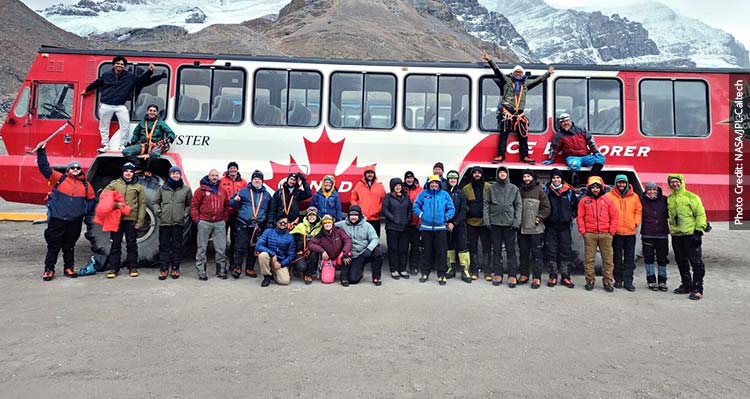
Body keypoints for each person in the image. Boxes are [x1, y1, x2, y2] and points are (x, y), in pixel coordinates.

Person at [36, 143, 95, 281]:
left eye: (78, 168)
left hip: (74, 221)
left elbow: (92, 200)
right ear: (68, 169)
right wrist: (41, 151)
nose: (75, 169)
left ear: (81, 170)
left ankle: (69, 268)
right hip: (58, 219)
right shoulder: (60, 178)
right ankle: (49, 269)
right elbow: (44, 168)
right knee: (53, 246)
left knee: (69, 246)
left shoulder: (86, 185)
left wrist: (84, 211)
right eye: (72, 167)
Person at [482, 52, 553, 164]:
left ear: (522, 74)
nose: (518, 74)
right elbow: (497, 72)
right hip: (507, 112)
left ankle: (524, 156)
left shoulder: (526, 85)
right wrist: (489, 60)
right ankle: (500, 156)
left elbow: (538, 81)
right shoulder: (507, 81)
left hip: (519, 114)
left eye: (520, 72)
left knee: (523, 136)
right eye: (516, 72)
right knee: (503, 135)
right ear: (513, 73)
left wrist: (548, 74)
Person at [81, 56, 157, 153]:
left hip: (120, 105)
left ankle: (123, 145)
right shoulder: (106, 75)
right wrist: (87, 90)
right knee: (104, 125)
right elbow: (96, 83)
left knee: (125, 124)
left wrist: (150, 72)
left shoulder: (129, 76)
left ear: (124, 66)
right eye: (118, 63)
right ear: (114, 64)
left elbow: (141, 80)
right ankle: (105, 144)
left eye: (122, 64)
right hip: (106, 104)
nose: (119, 65)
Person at [667, 174, 708, 300]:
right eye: (672, 182)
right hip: (676, 234)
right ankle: (686, 284)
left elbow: (700, 213)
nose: (674, 184)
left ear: (681, 182)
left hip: (690, 234)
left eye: (676, 182)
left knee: (696, 262)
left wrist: (699, 230)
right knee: (681, 261)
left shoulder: (692, 197)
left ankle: (697, 288)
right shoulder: (669, 199)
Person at [104, 162, 146, 278]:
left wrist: (140, 220)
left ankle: (132, 267)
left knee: (131, 244)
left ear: (133, 173)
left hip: (131, 219)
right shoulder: (114, 185)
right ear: (123, 172)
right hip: (116, 219)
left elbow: (142, 204)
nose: (128, 173)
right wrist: (115, 205)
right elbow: (104, 197)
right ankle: (113, 269)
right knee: (115, 244)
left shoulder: (138, 187)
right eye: (126, 171)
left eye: (131, 171)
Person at [577, 176, 618, 292]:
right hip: (590, 234)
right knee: (589, 259)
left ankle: (608, 281)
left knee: (608, 260)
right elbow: (580, 217)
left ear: (601, 188)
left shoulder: (608, 200)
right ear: (589, 188)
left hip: (606, 234)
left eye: (597, 187)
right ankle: (590, 280)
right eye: (593, 187)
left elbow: (614, 216)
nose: (595, 190)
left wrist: (611, 231)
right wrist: (583, 231)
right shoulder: (584, 201)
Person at [483, 166, 522, 287]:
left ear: (507, 174)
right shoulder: (491, 188)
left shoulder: (514, 188)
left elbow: (518, 206)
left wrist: (517, 222)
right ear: (497, 174)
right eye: (500, 172)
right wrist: (487, 220)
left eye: (504, 172)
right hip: (494, 224)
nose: (502, 174)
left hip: (509, 224)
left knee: (511, 251)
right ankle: (498, 274)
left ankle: (512, 275)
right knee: (496, 250)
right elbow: (486, 204)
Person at [229, 170, 271, 279]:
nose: (257, 180)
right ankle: (237, 267)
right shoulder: (243, 191)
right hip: (243, 223)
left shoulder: (266, 195)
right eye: (255, 179)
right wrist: (235, 200)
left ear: (262, 181)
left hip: (257, 226)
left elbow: (269, 210)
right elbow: (231, 203)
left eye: (259, 179)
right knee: (240, 246)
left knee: (254, 247)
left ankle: (250, 268)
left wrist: (266, 224)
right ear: (252, 180)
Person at [414, 175, 455, 285]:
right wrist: (422, 214)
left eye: (436, 183)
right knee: (426, 251)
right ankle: (425, 273)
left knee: (441, 252)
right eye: (432, 183)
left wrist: (445, 217)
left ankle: (442, 275)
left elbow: (451, 208)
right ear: (428, 183)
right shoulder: (423, 194)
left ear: (439, 184)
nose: (434, 184)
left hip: (440, 229)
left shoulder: (444, 195)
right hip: (426, 228)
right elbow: (416, 206)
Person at [605, 175, 642, 291]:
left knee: (629, 258)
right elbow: (604, 212)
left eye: (623, 183)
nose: (621, 185)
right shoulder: (608, 196)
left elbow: (638, 211)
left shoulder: (634, 196)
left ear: (627, 184)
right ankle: (618, 280)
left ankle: (628, 282)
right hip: (616, 233)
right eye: (619, 183)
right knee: (616, 257)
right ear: (616, 183)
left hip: (630, 232)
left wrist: (635, 223)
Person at [154, 166, 192, 280]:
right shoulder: (162, 189)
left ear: (180, 175)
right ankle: (164, 269)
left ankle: (175, 268)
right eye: (173, 173)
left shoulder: (186, 189)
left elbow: (189, 204)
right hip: (164, 223)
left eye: (177, 173)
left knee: (177, 247)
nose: (175, 175)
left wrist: (185, 214)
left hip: (178, 223)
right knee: (164, 246)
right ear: (170, 175)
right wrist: (158, 211)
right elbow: (156, 202)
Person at [190, 169, 229, 281]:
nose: (214, 177)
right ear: (208, 176)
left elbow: (226, 206)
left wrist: (224, 219)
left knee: (221, 248)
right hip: (204, 222)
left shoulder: (223, 190)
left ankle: (221, 270)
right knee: (202, 248)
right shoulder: (201, 190)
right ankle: (201, 271)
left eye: (216, 175)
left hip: (219, 222)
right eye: (212, 175)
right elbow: (194, 206)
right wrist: (197, 220)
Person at [543, 168, 578, 288]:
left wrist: (571, 216)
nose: (556, 180)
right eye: (554, 178)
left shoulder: (569, 191)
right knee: (551, 251)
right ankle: (553, 276)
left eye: (558, 177)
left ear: (561, 179)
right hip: (551, 226)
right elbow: (543, 206)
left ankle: (565, 277)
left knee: (565, 251)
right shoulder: (546, 190)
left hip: (564, 226)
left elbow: (576, 206)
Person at [542, 113, 605, 181]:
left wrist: (596, 152)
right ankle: (576, 182)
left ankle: (592, 178)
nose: (565, 123)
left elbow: (591, 141)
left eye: (567, 121)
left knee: (600, 159)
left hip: (585, 156)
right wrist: (550, 159)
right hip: (572, 157)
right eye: (563, 122)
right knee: (574, 165)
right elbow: (554, 148)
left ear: (570, 121)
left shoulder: (581, 130)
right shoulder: (559, 135)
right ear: (560, 124)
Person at [517, 169, 551, 289]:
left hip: (536, 229)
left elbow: (546, 207)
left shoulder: (539, 191)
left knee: (537, 254)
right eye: (524, 176)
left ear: (532, 178)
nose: (526, 178)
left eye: (528, 176)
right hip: (522, 228)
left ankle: (537, 277)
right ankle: (524, 274)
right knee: (523, 253)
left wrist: (538, 218)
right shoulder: (519, 191)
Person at [336, 205, 384, 286]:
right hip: (353, 255)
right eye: (351, 215)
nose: (353, 217)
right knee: (353, 280)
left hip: (365, 252)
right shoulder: (343, 224)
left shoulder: (367, 225)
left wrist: (369, 249)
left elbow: (375, 239)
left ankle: (376, 277)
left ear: (360, 216)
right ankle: (359, 272)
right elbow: (330, 225)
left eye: (355, 215)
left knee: (378, 251)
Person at [121, 104, 175, 175]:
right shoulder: (142, 122)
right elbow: (136, 133)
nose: (152, 112)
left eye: (154, 111)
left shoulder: (161, 123)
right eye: (150, 110)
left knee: (155, 155)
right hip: (143, 145)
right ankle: (138, 167)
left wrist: (169, 138)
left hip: (156, 145)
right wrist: (133, 142)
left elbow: (170, 132)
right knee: (126, 151)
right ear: (147, 112)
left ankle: (148, 170)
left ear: (157, 113)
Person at [640, 181, 669, 291]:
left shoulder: (664, 200)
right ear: (646, 191)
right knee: (649, 258)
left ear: (657, 190)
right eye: (649, 190)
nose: (652, 192)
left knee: (662, 258)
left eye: (654, 190)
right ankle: (651, 280)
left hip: (662, 233)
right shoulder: (641, 200)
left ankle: (662, 280)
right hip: (648, 233)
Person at [463, 166, 491, 281]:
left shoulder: (489, 187)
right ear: (472, 175)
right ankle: (474, 270)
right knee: (472, 248)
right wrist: (469, 211)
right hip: (471, 223)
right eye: (475, 173)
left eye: (479, 173)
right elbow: (463, 205)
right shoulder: (466, 188)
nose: (477, 175)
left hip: (485, 223)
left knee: (487, 248)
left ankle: (487, 271)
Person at [381, 177, 412, 279]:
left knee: (403, 249)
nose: (398, 187)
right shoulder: (388, 197)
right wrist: (393, 218)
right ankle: (394, 269)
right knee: (393, 249)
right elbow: (385, 210)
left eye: (399, 185)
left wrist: (408, 219)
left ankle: (402, 269)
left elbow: (409, 210)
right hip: (392, 227)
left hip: (404, 228)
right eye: (396, 185)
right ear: (392, 187)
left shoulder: (406, 196)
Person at [445, 170, 471, 283]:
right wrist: (446, 222)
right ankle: (451, 268)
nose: (452, 180)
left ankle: (465, 271)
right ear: (448, 179)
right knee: (449, 246)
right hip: (446, 225)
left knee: (462, 246)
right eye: (450, 178)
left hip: (459, 225)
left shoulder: (461, 193)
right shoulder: (444, 193)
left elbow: (463, 210)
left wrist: (454, 223)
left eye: (455, 178)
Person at [255, 216, 296, 287]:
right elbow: (258, 245)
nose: (283, 224)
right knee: (263, 255)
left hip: (280, 261)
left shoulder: (290, 237)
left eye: (285, 223)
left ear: (288, 224)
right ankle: (266, 276)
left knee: (285, 281)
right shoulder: (268, 231)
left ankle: (273, 273)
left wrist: (281, 264)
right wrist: (273, 254)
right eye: (281, 222)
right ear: (276, 222)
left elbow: (291, 255)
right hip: (269, 257)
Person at [309, 214, 353, 281]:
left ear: (332, 223)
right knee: (327, 280)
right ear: (322, 225)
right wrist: (322, 251)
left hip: (340, 256)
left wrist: (345, 252)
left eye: (329, 222)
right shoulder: (320, 234)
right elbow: (310, 244)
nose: (327, 224)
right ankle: (332, 269)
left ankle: (344, 277)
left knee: (348, 254)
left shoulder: (339, 231)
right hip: (328, 259)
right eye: (325, 223)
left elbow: (348, 241)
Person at [220, 162, 247, 267]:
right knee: (222, 240)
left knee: (234, 240)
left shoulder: (243, 182)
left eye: (234, 168)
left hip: (237, 214)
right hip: (225, 213)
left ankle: (233, 264)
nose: (232, 170)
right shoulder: (222, 180)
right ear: (228, 170)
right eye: (231, 168)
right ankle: (222, 264)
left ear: (237, 169)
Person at [290, 207, 323, 285]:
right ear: (307, 217)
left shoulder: (320, 228)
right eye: (310, 215)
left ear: (317, 216)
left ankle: (308, 274)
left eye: (313, 215)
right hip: (301, 251)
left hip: (313, 251)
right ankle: (296, 269)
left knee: (314, 255)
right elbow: (290, 236)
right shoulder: (301, 226)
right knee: (301, 267)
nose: (311, 217)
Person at [350, 168, 386, 237]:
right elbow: (353, 198)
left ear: (374, 174)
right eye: (368, 173)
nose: (370, 174)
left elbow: (384, 200)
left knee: (375, 238)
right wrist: (357, 209)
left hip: (375, 218)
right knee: (362, 239)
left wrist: (379, 208)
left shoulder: (380, 186)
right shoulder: (359, 185)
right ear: (365, 174)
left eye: (371, 173)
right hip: (362, 218)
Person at [403, 171, 423, 275]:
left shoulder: (420, 190)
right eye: (407, 178)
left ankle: (414, 266)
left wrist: (420, 221)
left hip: (416, 223)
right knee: (404, 246)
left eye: (411, 178)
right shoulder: (401, 189)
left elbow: (423, 206)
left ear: (414, 179)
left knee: (415, 247)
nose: (409, 180)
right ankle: (402, 267)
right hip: (404, 223)